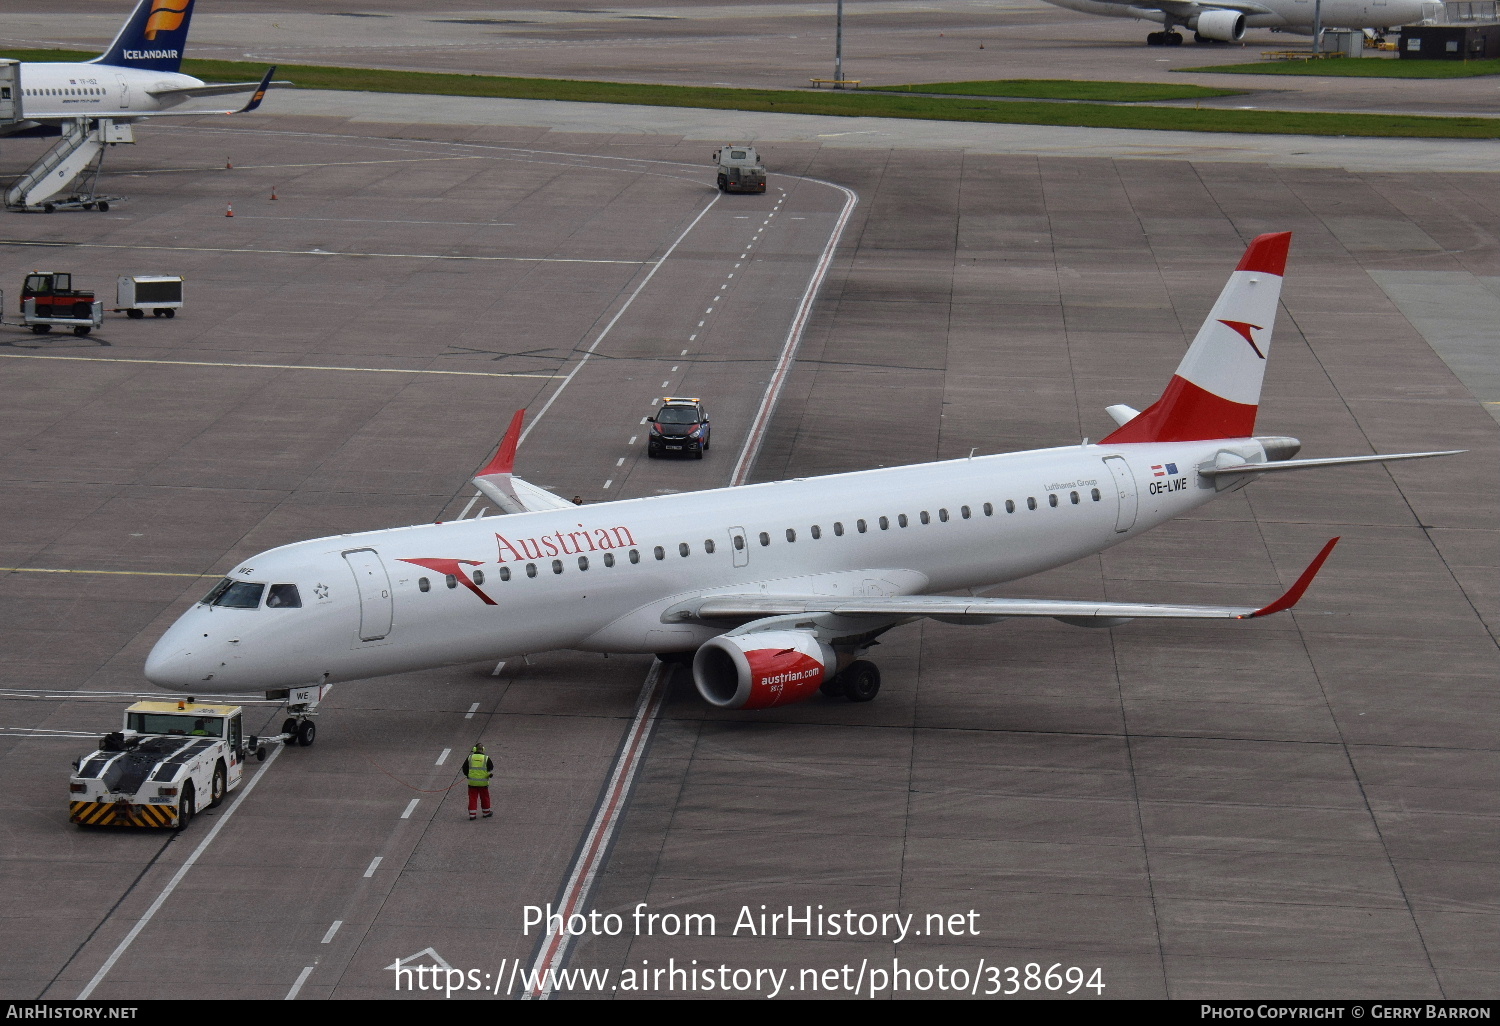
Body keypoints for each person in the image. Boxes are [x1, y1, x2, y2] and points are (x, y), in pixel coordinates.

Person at [465, 742, 494, 820]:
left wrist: (468, 775)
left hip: (472, 783)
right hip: (483, 783)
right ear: (483, 749)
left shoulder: (470, 757)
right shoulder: (486, 758)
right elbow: (491, 767)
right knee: (485, 797)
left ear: (474, 749)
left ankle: (472, 815)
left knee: (472, 798)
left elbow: (465, 768)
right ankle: (486, 812)